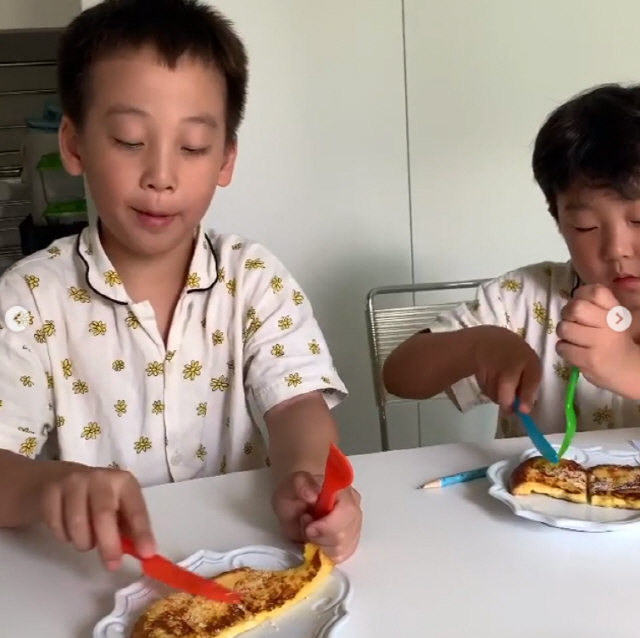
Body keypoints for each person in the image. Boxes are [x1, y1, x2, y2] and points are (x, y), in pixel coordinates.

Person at [0, 0, 361, 569]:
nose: (161, 177)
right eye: (128, 140)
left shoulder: (253, 277)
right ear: (74, 144)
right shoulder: (29, 300)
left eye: (192, 147)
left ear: (226, 159)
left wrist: (307, 478)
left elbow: (297, 403)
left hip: (243, 565)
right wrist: (49, 485)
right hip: (91, 576)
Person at [383, 83, 640, 439]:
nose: (616, 249)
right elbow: (399, 377)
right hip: (539, 478)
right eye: (586, 226)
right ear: (558, 221)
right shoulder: (522, 299)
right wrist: (477, 346)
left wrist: (628, 368)